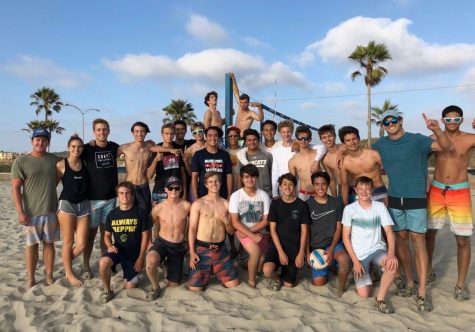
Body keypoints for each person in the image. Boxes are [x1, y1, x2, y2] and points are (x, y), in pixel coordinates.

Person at [372, 110, 452, 312]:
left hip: (416, 198)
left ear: (401, 120)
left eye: (394, 120)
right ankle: (409, 282)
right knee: (402, 241)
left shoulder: (417, 140)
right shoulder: (380, 145)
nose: (390, 123)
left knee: (418, 241)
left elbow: (446, 146)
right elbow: (360, 153)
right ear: (383, 124)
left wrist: (436, 129)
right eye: (386, 121)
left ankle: (422, 291)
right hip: (394, 199)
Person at [426, 105, 475, 301]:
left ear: (462, 120)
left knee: (463, 240)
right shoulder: (433, 138)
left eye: (456, 119)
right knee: (429, 234)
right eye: (448, 119)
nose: (452, 122)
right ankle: (428, 270)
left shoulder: (469, 138)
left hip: (460, 191)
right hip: (437, 190)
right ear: (443, 120)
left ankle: (460, 285)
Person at [342, 176, 398, 314]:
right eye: (360, 188)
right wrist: (355, 262)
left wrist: (391, 254)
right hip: (359, 255)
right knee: (364, 294)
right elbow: (345, 237)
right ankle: (370, 272)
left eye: (367, 188)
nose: (364, 191)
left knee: (392, 266)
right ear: (355, 190)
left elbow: (389, 232)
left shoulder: (379, 207)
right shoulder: (350, 209)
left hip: (377, 249)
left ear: (372, 189)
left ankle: (380, 298)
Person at [11, 128, 59, 288]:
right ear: (32, 141)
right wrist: (20, 212)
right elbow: (16, 188)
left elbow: (61, 176)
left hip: (51, 210)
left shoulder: (54, 160)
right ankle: (30, 278)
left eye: (44, 140)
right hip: (31, 213)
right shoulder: (21, 161)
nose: (40, 142)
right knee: (31, 245)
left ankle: (49, 276)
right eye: (37, 139)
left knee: (49, 244)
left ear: (48, 142)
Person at [99, 181, 151, 304]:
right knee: (103, 263)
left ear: (132, 195)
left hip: (134, 254)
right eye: (121, 193)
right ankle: (107, 290)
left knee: (130, 287)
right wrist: (109, 245)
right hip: (118, 251)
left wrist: (141, 257)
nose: (124, 196)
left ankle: (128, 275)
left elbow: (146, 236)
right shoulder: (112, 214)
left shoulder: (140, 212)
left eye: (127, 193)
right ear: (118, 196)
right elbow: (106, 236)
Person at [188, 172, 240, 291]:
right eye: (210, 182)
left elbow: (232, 232)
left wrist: (226, 221)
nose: (214, 184)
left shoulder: (227, 204)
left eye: (216, 181)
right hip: (201, 249)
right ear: (206, 185)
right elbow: (191, 229)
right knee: (195, 289)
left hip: (220, 249)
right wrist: (191, 252)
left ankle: (215, 271)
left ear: (221, 183)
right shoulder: (198, 204)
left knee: (234, 284)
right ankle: (208, 271)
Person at [81, 118, 119, 280]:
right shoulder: (87, 149)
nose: (102, 132)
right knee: (90, 236)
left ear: (109, 130)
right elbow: (71, 159)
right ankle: (86, 266)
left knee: (106, 235)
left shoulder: (114, 147)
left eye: (104, 129)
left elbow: (131, 148)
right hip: (93, 200)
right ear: (94, 132)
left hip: (111, 198)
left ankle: (106, 263)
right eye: (98, 130)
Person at [145, 176, 191, 300]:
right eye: (170, 188)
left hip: (178, 246)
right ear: (166, 189)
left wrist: (190, 246)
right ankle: (156, 288)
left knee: (173, 284)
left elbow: (195, 225)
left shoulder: (187, 206)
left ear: (181, 189)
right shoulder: (159, 208)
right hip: (161, 242)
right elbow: (147, 225)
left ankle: (166, 264)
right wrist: (149, 242)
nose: (173, 191)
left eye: (176, 188)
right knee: (150, 263)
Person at [306, 171, 351, 297]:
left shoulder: (336, 203)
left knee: (345, 262)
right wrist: (307, 253)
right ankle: (329, 268)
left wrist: (331, 250)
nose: (320, 187)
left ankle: (340, 290)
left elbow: (338, 228)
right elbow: (305, 232)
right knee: (319, 282)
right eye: (317, 184)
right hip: (316, 248)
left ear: (327, 185)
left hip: (333, 244)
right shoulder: (307, 205)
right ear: (313, 185)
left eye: (323, 184)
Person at [263, 173, 309, 290]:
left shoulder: (302, 205)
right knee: (267, 271)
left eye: (290, 184)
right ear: (280, 186)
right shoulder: (275, 203)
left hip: (294, 247)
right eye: (284, 184)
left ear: (295, 187)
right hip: (277, 246)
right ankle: (277, 278)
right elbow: (272, 230)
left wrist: (300, 253)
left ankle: (287, 273)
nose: (287, 187)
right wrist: (280, 252)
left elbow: (304, 231)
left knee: (288, 285)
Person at [119, 121, 177, 213]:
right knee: (128, 213)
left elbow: (158, 148)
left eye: (142, 131)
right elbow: (109, 154)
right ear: (132, 133)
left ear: (146, 133)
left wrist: (171, 150)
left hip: (143, 186)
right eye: (137, 131)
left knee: (145, 214)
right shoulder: (124, 147)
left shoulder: (149, 146)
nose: (139, 134)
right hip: (129, 186)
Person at [56, 135, 90, 286]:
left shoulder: (85, 163)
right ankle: (69, 274)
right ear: (69, 147)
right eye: (73, 146)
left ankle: (66, 263)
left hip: (84, 204)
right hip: (67, 205)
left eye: (79, 147)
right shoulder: (61, 165)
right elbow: (52, 186)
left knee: (82, 244)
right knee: (68, 242)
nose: (76, 149)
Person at [229, 164, 270, 287]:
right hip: (242, 231)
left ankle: (245, 264)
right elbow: (235, 221)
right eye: (246, 177)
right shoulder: (236, 196)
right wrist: (250, 234)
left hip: (258, 230)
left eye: (252, 177)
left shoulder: (263, 195)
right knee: (256, 253)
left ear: (257, 178)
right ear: (242, 179)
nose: (250, 180)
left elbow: (266, 220)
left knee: (263, 258)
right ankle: (252, 281)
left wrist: (253, 232)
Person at [271, 120, 326, 198]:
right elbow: (275, 172)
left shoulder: (301, 145)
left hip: (308, 190)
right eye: (284, 132)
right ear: (280, 132)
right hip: (287, 188)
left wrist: (316, 160)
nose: (286, 134)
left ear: (292, 132)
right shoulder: (276, 151)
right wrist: (275, 193)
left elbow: (322, 147)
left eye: (289, 131)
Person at [338, 126, 387, 205]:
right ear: (344, 143)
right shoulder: (344, 162)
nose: (352, 142)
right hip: (361, 195)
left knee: (383, 217)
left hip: (379, 191)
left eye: (354, 139)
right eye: (348, 140)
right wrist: (345, 205)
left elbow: (390, 171)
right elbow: (344, 185)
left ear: (359, 139)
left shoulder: (373, 154)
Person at [147, 123, 187, 205]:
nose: (169, 136)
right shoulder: (157, 150)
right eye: (166, 133)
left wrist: (185, 192)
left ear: (174, 135)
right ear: (162, 134)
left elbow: (183, 174)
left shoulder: (178, 149)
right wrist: (155, 160)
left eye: (171, 134)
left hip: (176, 190)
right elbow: (149, 175)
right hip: (160, 191)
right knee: (158, 217)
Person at [191, 126, 233, 200]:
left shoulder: (225, 155)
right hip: (203, 196)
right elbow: (194, 176)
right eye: (210, 135)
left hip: (222, 196)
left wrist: (229, 195)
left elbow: (229, 176)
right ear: (206, 137)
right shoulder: (198, 155)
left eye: (215, 135)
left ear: (219, 138)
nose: (213, 138)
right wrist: (195, 196)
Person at [288, 125, 322, 201]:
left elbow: (327, 148)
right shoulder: (293, 160)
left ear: (310, 139)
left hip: (319, 193)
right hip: (303, 194)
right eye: (300, 138)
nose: (303, 141)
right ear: (296, 139)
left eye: (306, 138)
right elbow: (291, 181)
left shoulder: (318, 155)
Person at [237, 129, 273, 197]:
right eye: (249, 140)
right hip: (249, 194)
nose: (252, 142)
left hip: (267, 193)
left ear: (258, 140)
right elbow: (240, 177)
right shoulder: (242, 158)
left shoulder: (267, 155)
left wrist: (274, 192)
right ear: (246, 142)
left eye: (254, 139)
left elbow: (272, 174)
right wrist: (240, 194)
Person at [318, 124, 351, 200]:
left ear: (335, 136)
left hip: (357, 187)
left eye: (330, 136)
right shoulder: (325, 159)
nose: (328, 139)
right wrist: (334, 199)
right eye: (324, 138)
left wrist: (343, 152)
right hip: (341, 191)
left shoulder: (345, 146)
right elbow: (332, 180)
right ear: (321, 140)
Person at [226, 126, 241, 192]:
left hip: (241, 187)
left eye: (235, 136)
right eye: (230, 136)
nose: (233, 138)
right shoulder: (224, 152)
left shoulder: (244, 151)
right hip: (227, 188)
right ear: (227, 138)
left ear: (239, 137)